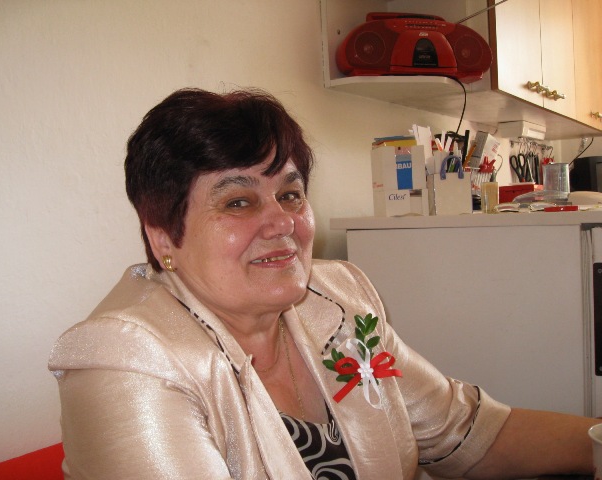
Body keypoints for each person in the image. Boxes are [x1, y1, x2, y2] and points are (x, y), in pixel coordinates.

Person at [49, 87, 598, 480]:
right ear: (162, 234)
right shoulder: (123, 360)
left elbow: (464, 433)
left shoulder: (335, 298)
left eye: (290, 194)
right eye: (237, 202)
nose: (283, 222)